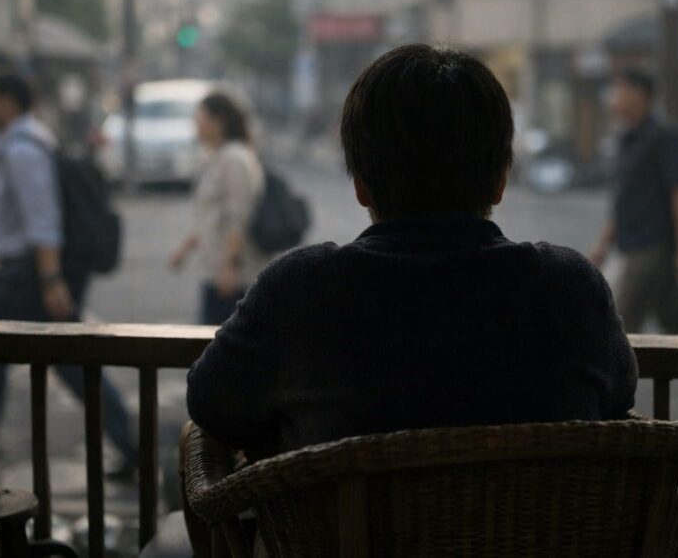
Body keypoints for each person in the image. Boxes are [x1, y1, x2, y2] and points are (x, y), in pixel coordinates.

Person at [186, 44, 637, 462]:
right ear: (501, 178)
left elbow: (212, 403)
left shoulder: (301, 290)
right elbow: (617, 399)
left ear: (361, 185)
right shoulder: (570, 289)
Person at [0, 73, 138, 476]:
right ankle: (133, 446)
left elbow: (44, 220)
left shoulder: (24, 150)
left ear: (7, 102)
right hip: (29, 273)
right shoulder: (32, 140)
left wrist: (52, 280)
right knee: (62, 360)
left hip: (31, 275)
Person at [589, 70, 678, 337]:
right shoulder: (626, 140)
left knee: (618, 327)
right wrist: (603, 245)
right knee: (676, 323)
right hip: (633, 244)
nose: (613, 96)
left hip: (651, 247)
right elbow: (625, 200)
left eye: (619, 88)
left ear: (639, 95)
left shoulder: (663, 138)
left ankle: (607, 379)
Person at [169, 92, 270, 325]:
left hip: (232, 277)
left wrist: (230, 265)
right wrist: (184, 249)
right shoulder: (218, 157)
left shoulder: (235, 158)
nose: (195, 125)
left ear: (218, 121)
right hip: (215, 271)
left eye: (200, 118)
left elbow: (238, 216)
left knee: (221, 346)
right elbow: (209, 215)